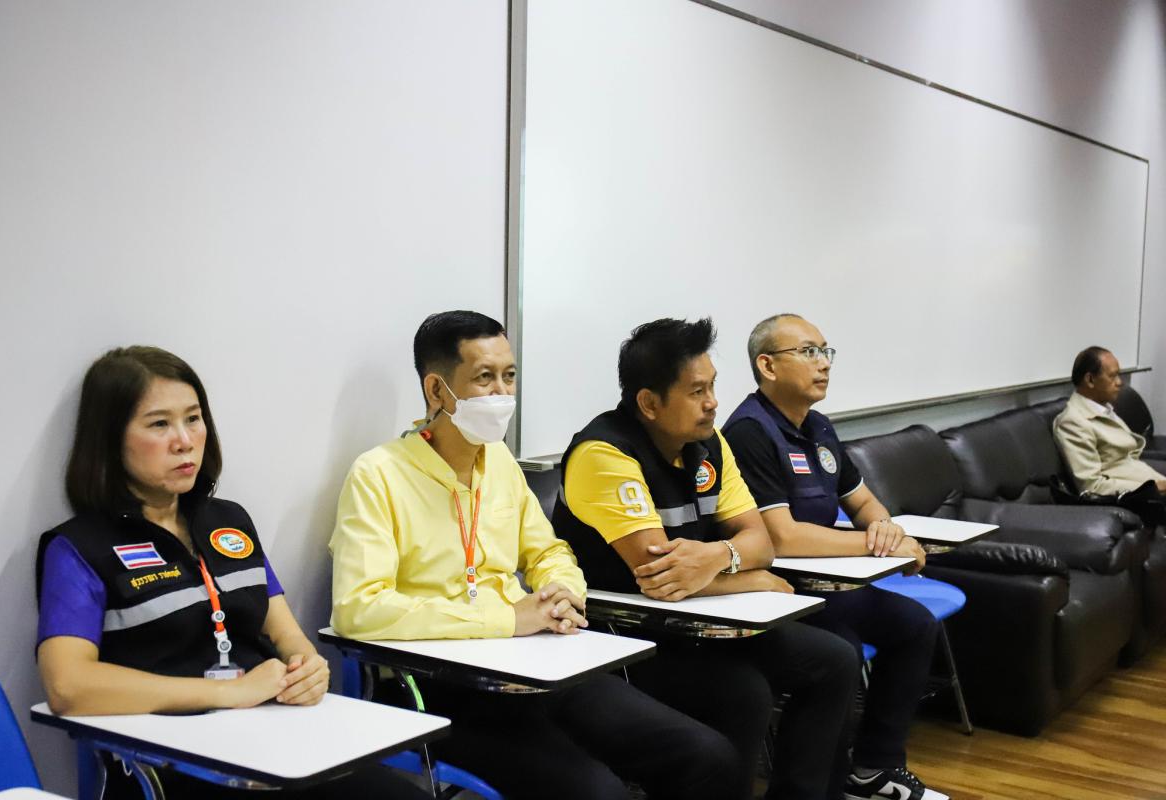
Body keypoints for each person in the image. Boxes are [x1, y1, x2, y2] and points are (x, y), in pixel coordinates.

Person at [329, 310, 739, 800]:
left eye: (509, 375)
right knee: (598, 793)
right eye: (485, 378)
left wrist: (563, 591)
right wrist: (505, 619)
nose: (503, 392)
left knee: (709, 757)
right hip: (445, 686)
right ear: (437, 390)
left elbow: (548, 551)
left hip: (538, 663)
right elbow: (358, 608)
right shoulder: (378, 475)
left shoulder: (499, 461)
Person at [36, 346, 425, 800]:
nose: (184, 440)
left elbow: (286, 634)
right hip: (173, 766)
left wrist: (309, 668)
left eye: (193, 418)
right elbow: (68, 686)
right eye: (159, 424)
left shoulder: (228, 521)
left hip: (276, 741)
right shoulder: (78, 547)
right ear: (110, 439)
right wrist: (227, 693)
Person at [553, 317, 860, 800]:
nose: (713, 402)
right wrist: (753, 578)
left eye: (712, 386)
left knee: (836, 658)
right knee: (744, 692)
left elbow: (760, 542)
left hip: (703, 618)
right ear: (649, 403)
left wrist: (721, 555)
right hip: (627, 633)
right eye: (697, 391)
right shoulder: (604, 453)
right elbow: (660, 577)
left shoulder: (710, 444)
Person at [720, 313, 938, 800]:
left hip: (832, 586)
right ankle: (816, 787)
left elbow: (861, 501)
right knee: (839, 651)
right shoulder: (750, 432)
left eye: (825, 352)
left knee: (915, 625)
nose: (823, 364)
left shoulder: (818, 426)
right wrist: (877, 545)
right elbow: (782, 537)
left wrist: (885, 527)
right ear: (767, 365)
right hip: (783, 592)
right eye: (808, 352)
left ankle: (874, 767)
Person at [1054, 346, 1166, 498]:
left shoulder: (1102, 408)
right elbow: (1092, 486)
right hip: (1136, 498)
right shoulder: (1072, 422)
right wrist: (1153, 488)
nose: (1119, 382)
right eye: (1112, 376)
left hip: (1142, 478)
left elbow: (1125, 459)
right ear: (1090, 380)